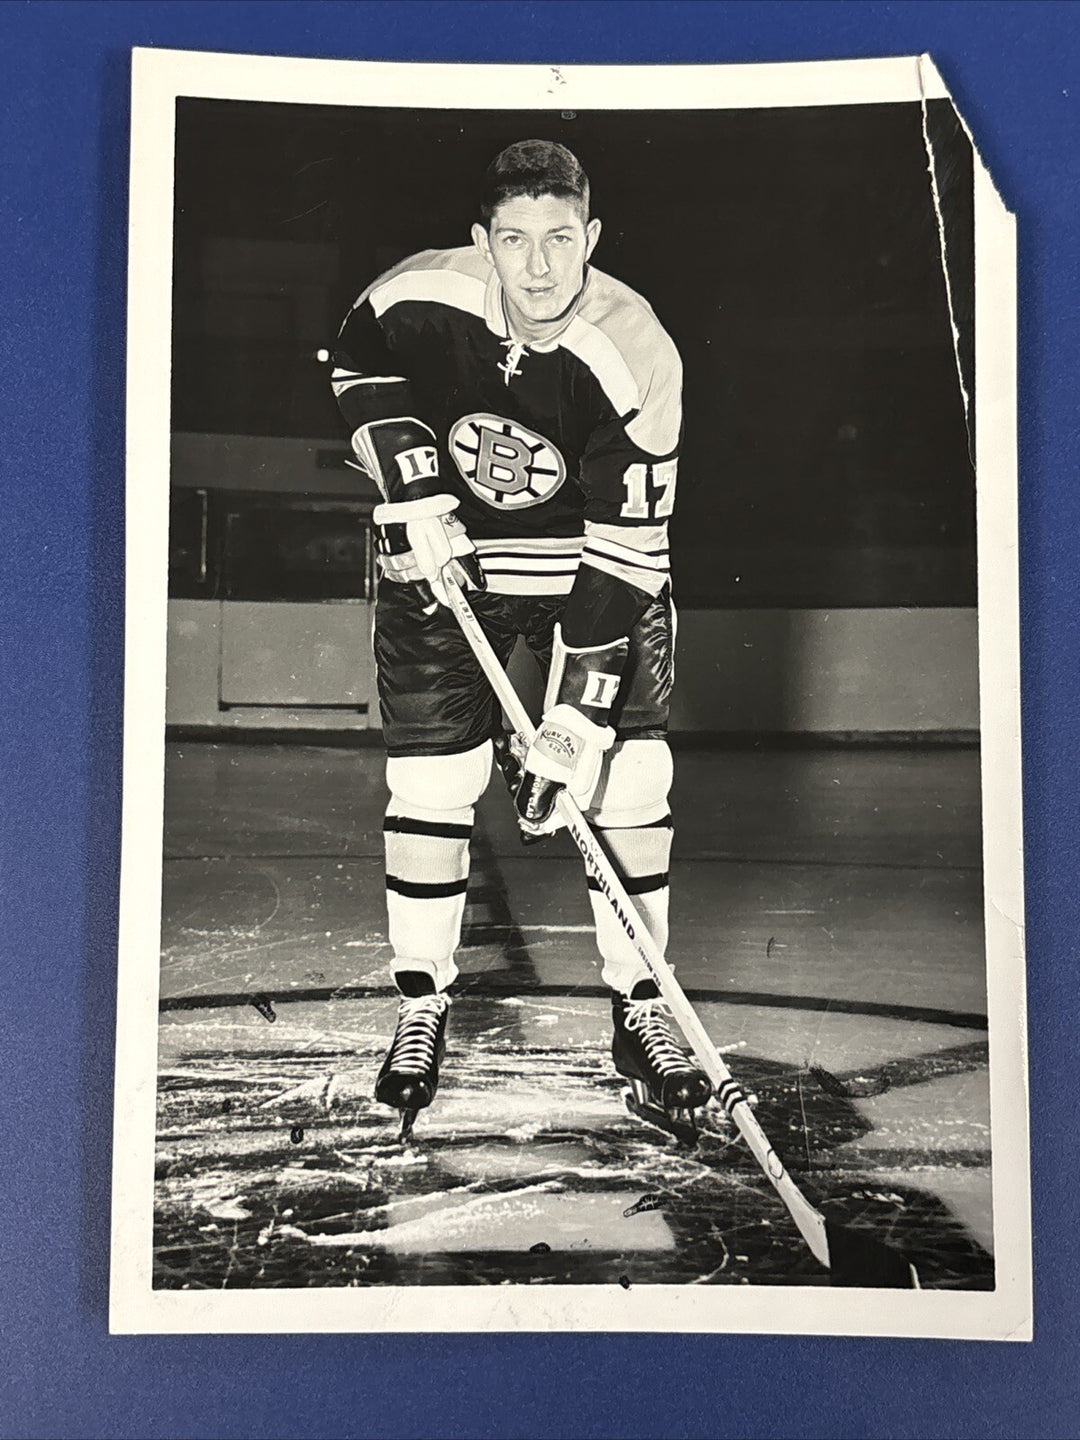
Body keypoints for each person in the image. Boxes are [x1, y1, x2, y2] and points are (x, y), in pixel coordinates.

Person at [331, 139, 710, 1141]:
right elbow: (359, 358)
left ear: (592, 237)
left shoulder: (636, 350)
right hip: (449, 557)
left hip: (591, 564)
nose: (538, 268)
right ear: (481, 241)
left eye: (559, 239)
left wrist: (577, 718)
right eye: (513, 240)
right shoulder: (416, 296)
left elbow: (627, 556)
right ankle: (421, 1001)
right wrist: (412, 486)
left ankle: (641, 1004)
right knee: (432, 782)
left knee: (630, 778)